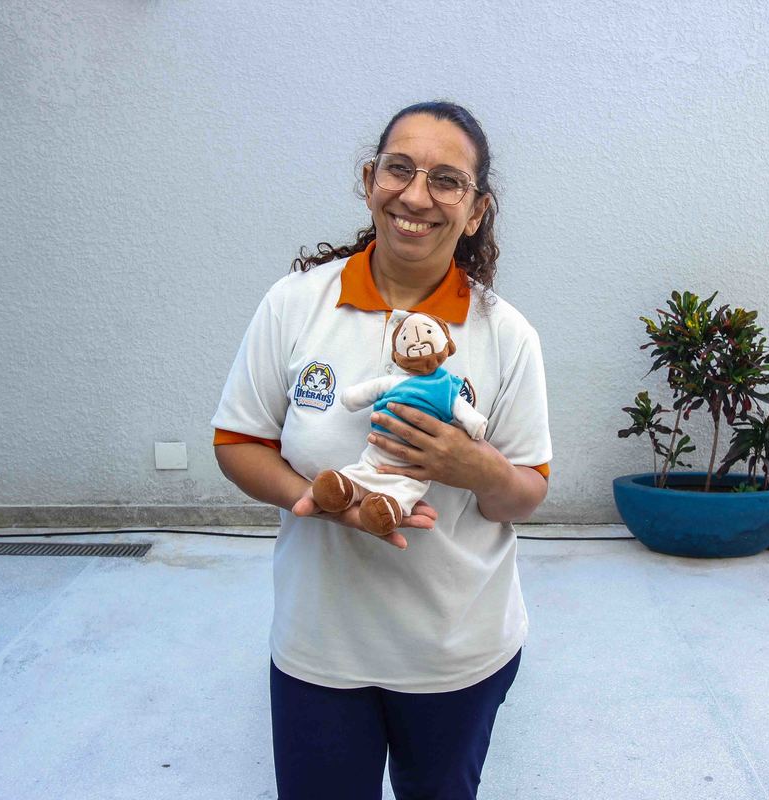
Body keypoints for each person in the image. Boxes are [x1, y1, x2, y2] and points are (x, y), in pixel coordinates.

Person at [211, 100, 552, 800]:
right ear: (370, 181)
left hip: (455, 651)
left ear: (476, 211)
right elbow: (238, 442)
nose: (416, 196)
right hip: (320, 647)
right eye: (400, 169)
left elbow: (527, 491)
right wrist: (315, 500)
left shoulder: (506, 335)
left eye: (447, 180)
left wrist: (475, 467)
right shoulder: (295, 304)